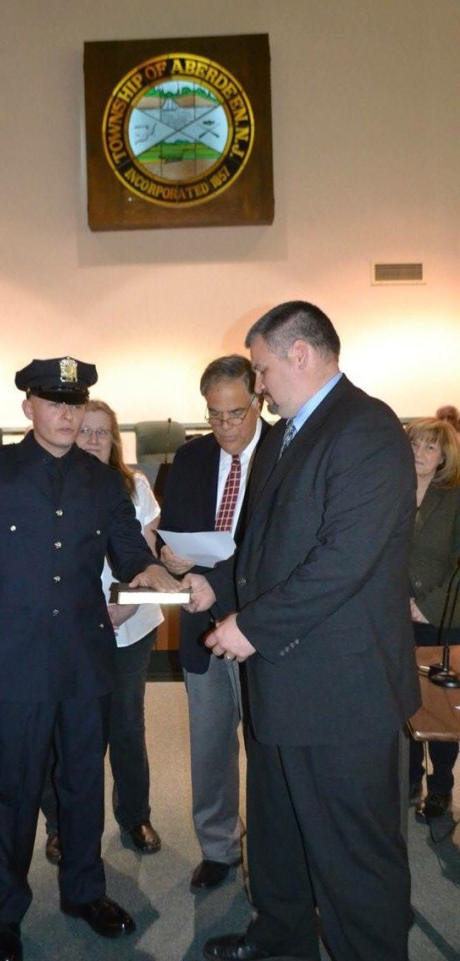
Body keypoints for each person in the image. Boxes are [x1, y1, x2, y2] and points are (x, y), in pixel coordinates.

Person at [0, 357, 181, 961]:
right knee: (14, 790)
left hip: (83, 657)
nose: (66, 414)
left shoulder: (101, 480)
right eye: (54, 402)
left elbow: (129, 550)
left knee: (82, 784)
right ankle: (4, 913)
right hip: (15, 661)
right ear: (28, 407)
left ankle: (84, 892)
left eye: (74, 404)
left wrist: (153, 571)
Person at [183, 302, 420, 961]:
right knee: (278, 832)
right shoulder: (291, 433)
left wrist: (252, 625)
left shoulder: (366, 429)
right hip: (285, 683)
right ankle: (280, 938)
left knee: (353, 857)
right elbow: (266, 545)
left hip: (340, 693)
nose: (257, 386)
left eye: (261, 370)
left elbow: (345, 560)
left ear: (301, 354)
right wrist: (218, 586)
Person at [158, 355, 268, 890]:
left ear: (259, 402)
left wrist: (218, 581)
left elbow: (278, 549)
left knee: (268, 748)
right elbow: (175, 529)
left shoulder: (285, 453)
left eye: (236, 414)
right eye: (214, 415)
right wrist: (170, 556)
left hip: (260, 628)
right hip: (201, 624)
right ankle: (219, 847)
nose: (225, 426)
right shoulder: (191, 457)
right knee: (210, 746)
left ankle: (269, 855)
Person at [42, 399, 163, 863]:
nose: (93, 439)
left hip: (129, 625)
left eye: (102, 432)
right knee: (67, 731)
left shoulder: (135, 487)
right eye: (85, 430)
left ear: (115, 440)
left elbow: (143, 559)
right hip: (70, 631)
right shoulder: (51, 486)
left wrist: (124, 609)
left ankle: (135, 816)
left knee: (126, 725)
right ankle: (61, 826)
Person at [406, 417, 460, 820]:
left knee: (440, 706)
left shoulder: (455, 496)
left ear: (443, 456)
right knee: (404, 699)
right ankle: (409, 777)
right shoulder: (391, 488)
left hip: (442, 615)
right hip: (395, 614)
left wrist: (429, 604)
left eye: (429, 447)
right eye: (414, 445)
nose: (419, 454)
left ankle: (441, 786)